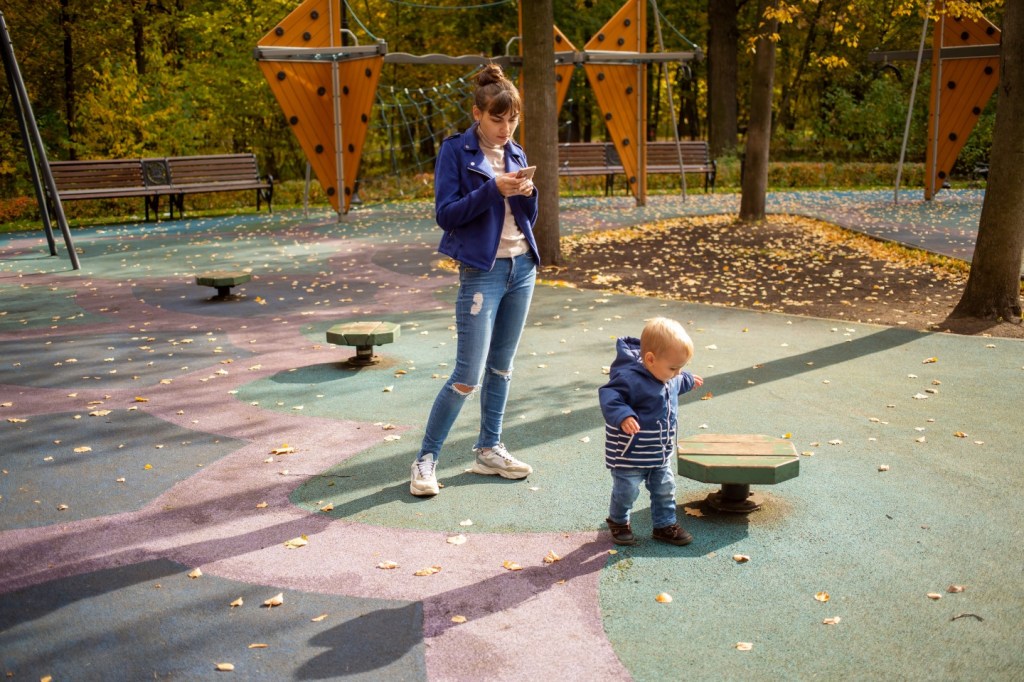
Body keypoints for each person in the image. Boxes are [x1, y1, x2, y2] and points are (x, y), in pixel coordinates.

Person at [410, 64, 540, 497]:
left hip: (522, 268)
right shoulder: (455, 151)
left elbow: (524, 219)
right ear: (477, 114)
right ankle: (426, 460)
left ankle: (489, 449)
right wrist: (494, 190)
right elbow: (446, 215)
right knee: (467, 375)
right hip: (481, 275)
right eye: (497, 119)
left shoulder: (516, 153)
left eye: (512, 119)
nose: (506, 128)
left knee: (501, 369)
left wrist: (527, 194)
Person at [598, 317, 704, 545]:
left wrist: (688, 380)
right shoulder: (628, 378)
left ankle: (664, 525)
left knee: (665, 490)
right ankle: (618, 522)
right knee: (626, 492)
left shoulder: (669, 376)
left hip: (659, 453)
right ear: (650, 359)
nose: (677, 373)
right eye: (674, 368)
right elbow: (610, 396)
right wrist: (623, 415)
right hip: (630, 455)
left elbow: (676, 382)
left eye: (681, 368)